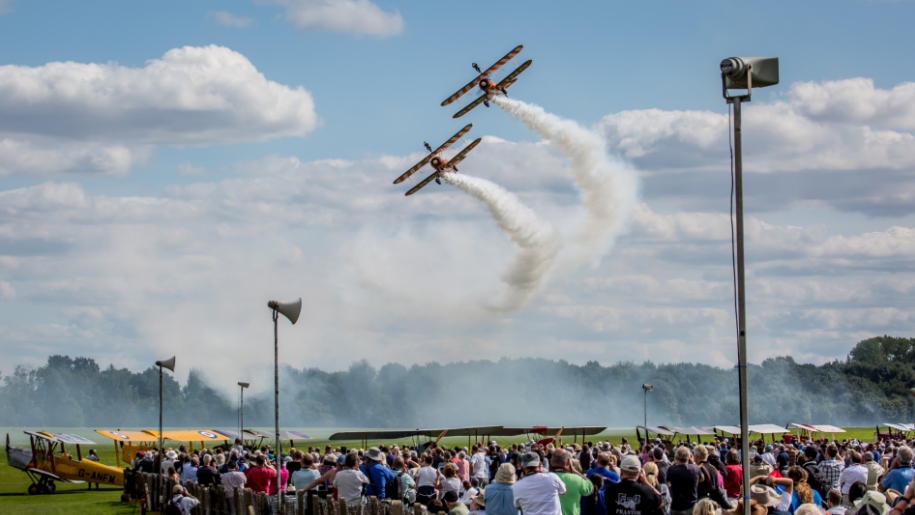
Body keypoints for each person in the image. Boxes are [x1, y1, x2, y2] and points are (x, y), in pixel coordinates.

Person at [551, 449, 593, 515]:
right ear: (568, 462)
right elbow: (590, 489)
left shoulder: (543, 478)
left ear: (551, 461)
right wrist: (575, 472)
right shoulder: (577, 479)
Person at [668, 447, 701, 515]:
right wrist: (693, 464)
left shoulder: (672, 470)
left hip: (677, 505)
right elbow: (702, 478)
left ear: (676, 458)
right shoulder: (695, 468)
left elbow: (668, 481)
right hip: (691, 504)